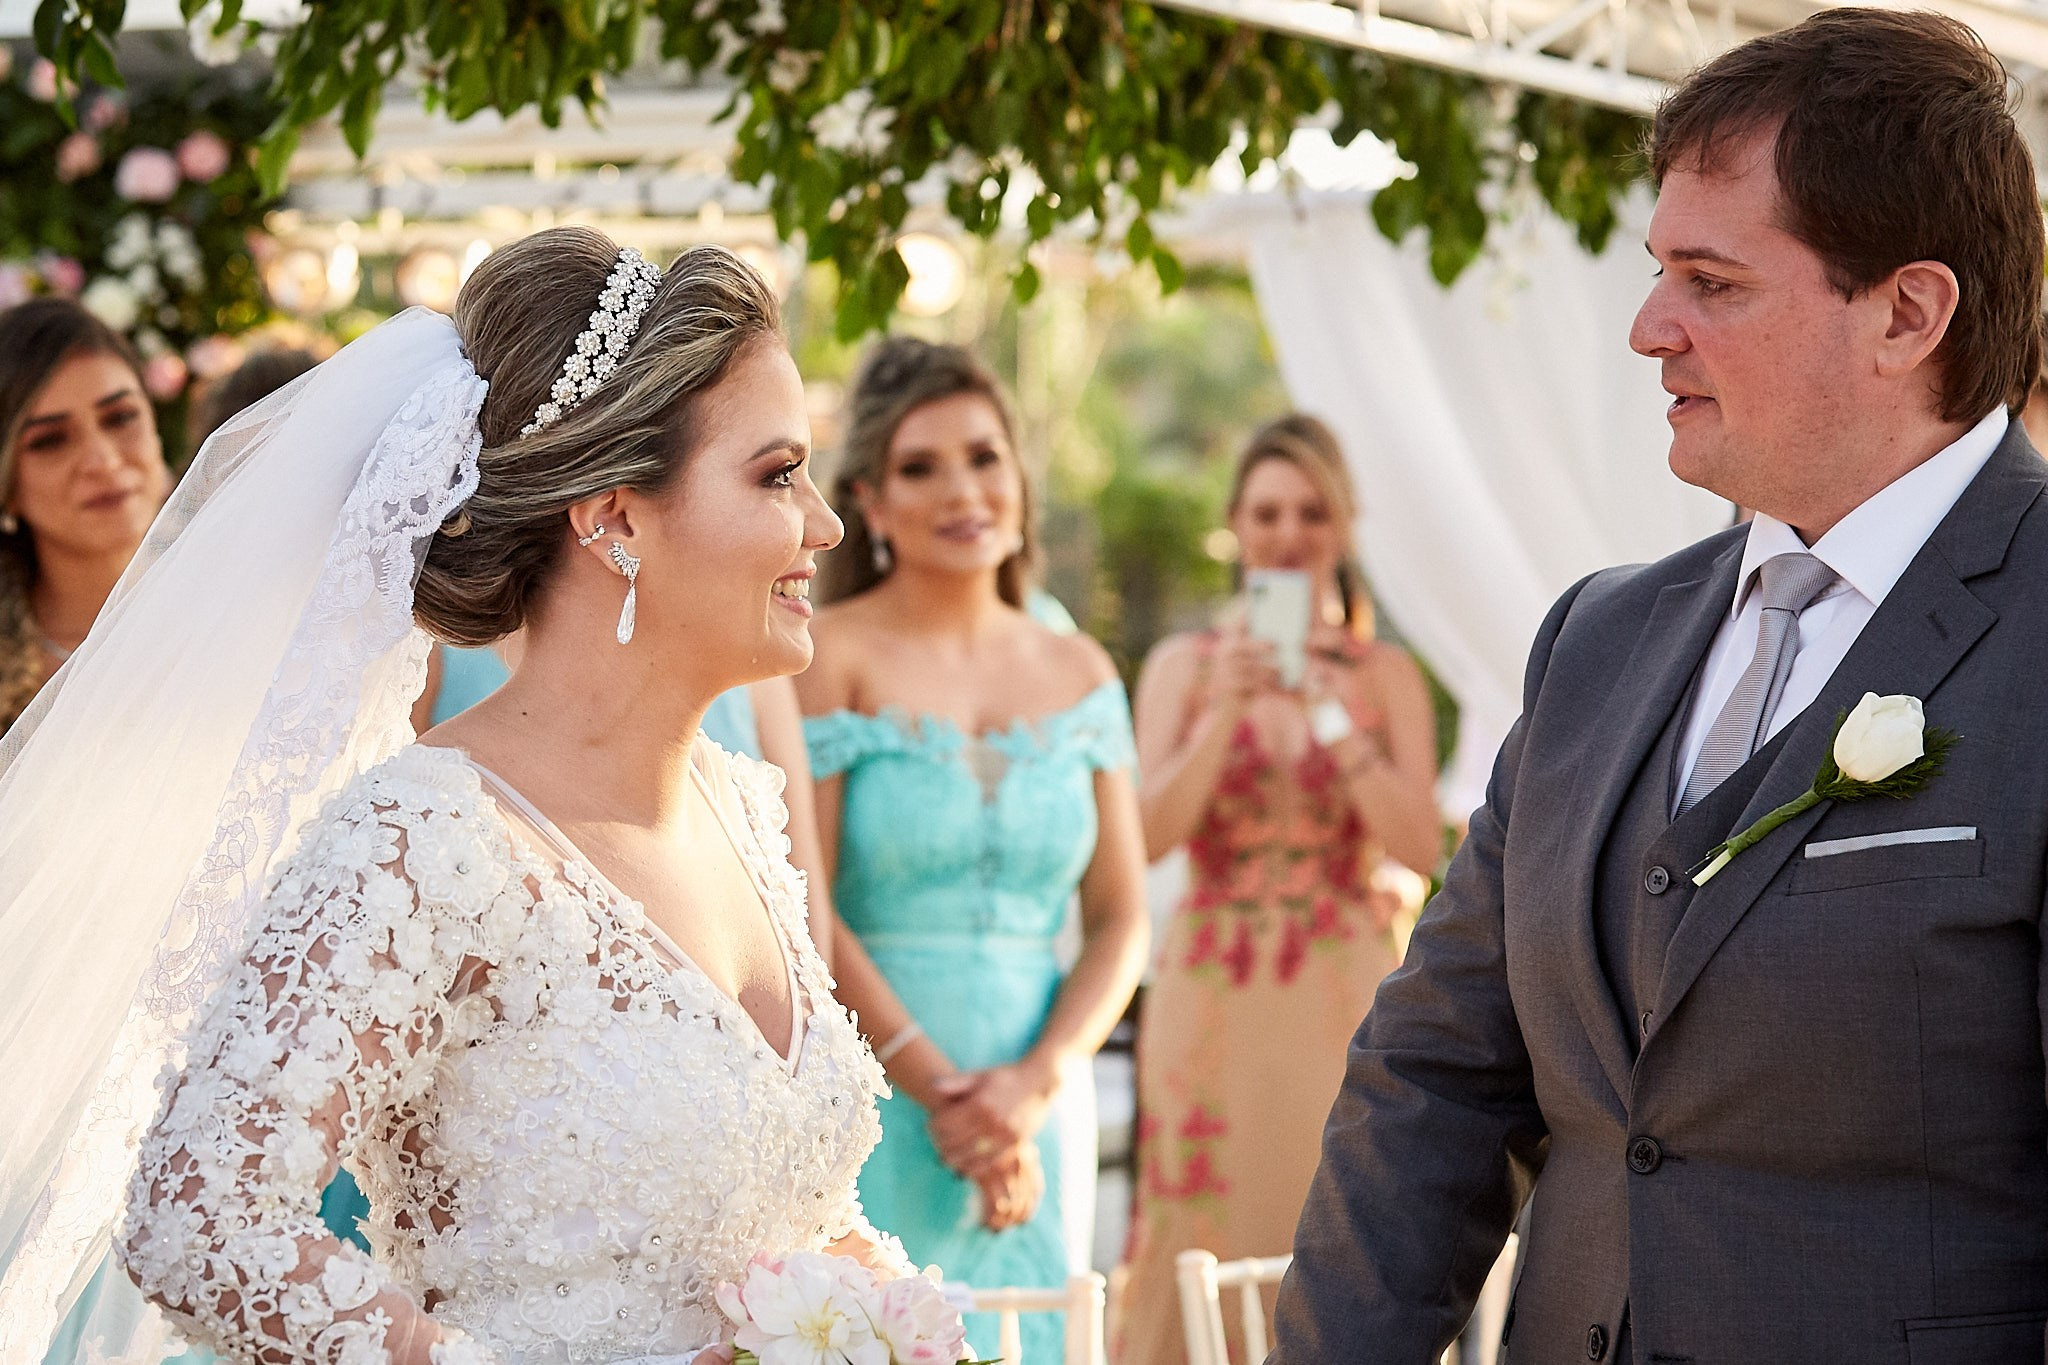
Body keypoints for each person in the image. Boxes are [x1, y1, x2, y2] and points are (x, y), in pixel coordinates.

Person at [1271, 10, 2048, 1363]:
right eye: (1657, 273)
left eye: (1712, 282)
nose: (1648, 329)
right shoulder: (1597, 640)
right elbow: (1437, 1077)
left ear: (1907, 313)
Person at [0, 228, 916, 1364]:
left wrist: (872, 1316)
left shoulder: (739, 810)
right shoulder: (427, 840)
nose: (827, 523)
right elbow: (202, 1218)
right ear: (614, 517)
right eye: (777, 475)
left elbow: (775, 1219)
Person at [797, 336, 1149, 1362]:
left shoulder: (1081, 669)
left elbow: (1122, 918)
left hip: (1040, 1098)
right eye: (921, 466)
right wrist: (939, 1092)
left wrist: (1033, 1083)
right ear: (869, 500)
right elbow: (802, 903)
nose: (962, 490)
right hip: (879, 1090)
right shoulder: (828, 657)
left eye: (984, 457)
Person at [1114, 414, 1439, 1365]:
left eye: (1310, 512)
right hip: (1213, 987)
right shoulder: (1183, 667)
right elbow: (1147, 837)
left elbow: (1421, 844)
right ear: (1235, 526)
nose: (1288, 534)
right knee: (1195, 1222)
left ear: (1343, 524)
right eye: (1266, 513)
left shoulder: (1388, 675)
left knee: (1340, 1212)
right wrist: (1224, 710)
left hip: (1342, 985)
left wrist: (1329, 713)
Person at [0, 297, 171, 734]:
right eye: (50, 440)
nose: (103, 461)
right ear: (7, 484)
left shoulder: (249, 604)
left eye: (120, 417)